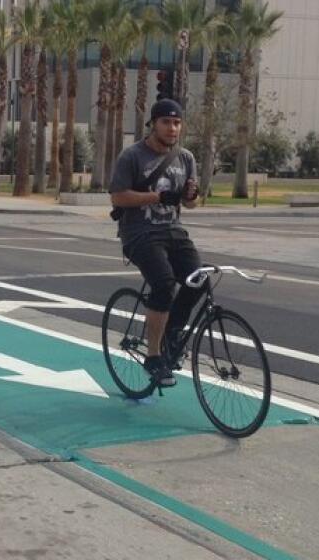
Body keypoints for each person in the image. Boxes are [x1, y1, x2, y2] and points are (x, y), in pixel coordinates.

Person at [109, 99, 201, 387]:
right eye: (166, 122)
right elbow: (118, 197)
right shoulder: (133, 156)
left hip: (173, 232)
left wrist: (190, 195)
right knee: (163, 284)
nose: (172, 128)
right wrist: (157, 197)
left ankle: (172, 334)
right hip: (139, 234)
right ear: (153, 124)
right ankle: (153, 355)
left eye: (177, 123)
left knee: (199, 280)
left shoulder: (185, 158)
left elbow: (194, 204)